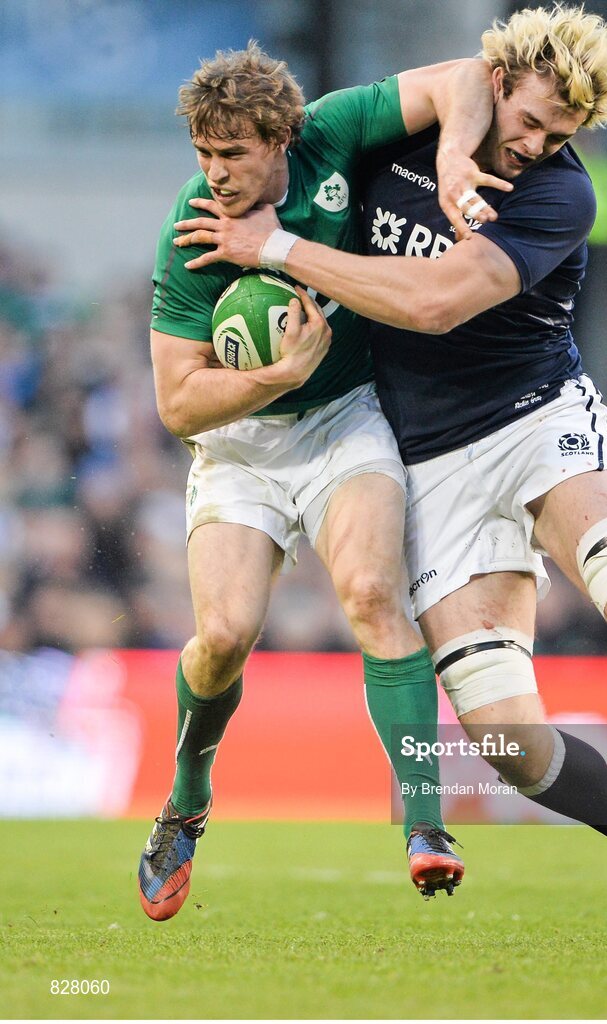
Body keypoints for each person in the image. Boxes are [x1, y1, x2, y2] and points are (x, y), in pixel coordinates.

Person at [174, 7, 607, 940]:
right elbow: (455, 73)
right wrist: (454, 154)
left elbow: (429, 303)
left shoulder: (560, 196)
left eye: (560, 136)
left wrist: (282, 251)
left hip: (536, 419)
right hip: (426, 465)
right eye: (529, 122)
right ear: (496, 86)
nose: (537, 147)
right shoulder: (407, 133)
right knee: (505, 744)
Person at [138, 41, 519, 922]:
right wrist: (272, 379)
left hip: (344, 418)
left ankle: (426, 828)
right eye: (203, 154)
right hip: (240, 443)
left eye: (232, 154)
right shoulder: (189, 228)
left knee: (373, 593)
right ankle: (185, 801)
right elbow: (176, 404)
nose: (215, 175)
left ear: (281, 138)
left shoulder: (333, 131)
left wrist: (455, 156)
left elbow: (469, 73)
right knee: (224, 636)